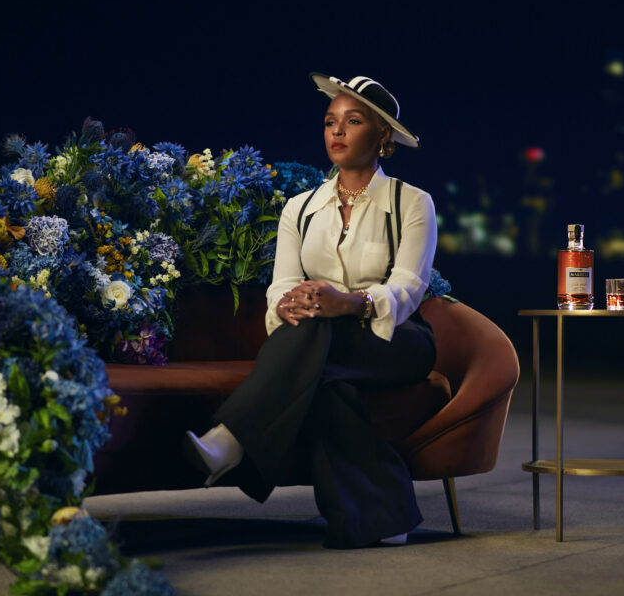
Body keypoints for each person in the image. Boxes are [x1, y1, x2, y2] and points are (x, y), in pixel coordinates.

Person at [184, 73, 438, 548]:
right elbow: (282, 283)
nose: (336, 131)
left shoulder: (411, 202)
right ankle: (384, 518)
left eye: (353, 121)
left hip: (394, 338)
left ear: (382, 134)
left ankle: (231, 437)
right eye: (329, 121)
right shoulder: (300, 208)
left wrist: (352, 302)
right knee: (325, 382)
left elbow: (408, 287)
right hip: (323, 334)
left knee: (319, 329)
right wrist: (288, 303)